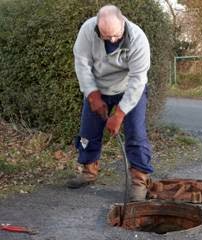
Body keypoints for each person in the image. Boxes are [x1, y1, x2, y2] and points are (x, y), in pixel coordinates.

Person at [67, 4, 153, 201]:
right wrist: (92, 94)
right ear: (97, 27)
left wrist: (120, 114)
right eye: (107, 37)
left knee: (136, 134)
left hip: (129, 88)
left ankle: (140, 181)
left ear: (123, 22)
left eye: (116, 36)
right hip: (99, 87)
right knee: (87, 133)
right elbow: (82, 64)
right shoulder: (87, 31)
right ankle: (88, 172)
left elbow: (138, 79)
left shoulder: (138, 39)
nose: (112, 40)